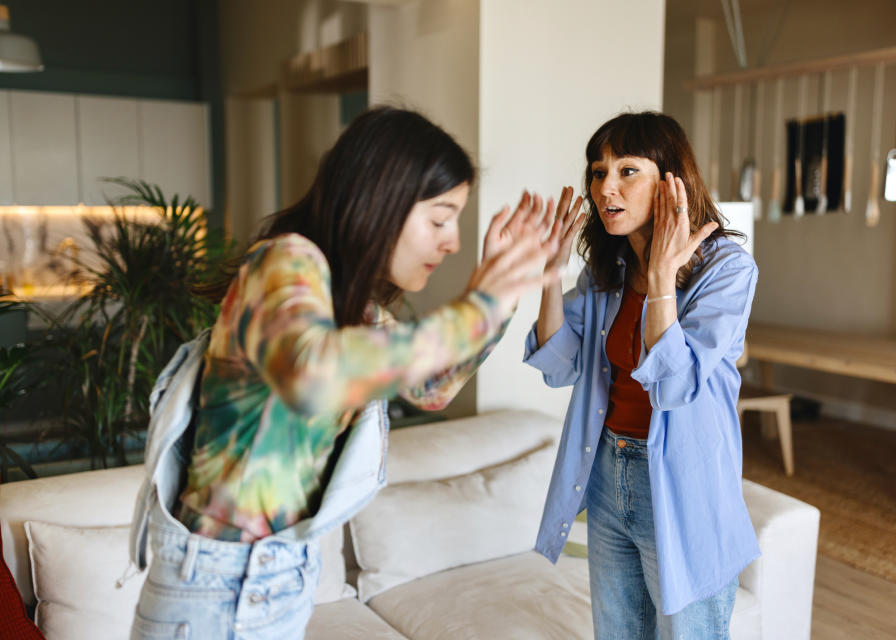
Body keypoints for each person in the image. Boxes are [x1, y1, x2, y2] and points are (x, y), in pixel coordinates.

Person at [128, 106, 559, 640]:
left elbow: (433, 389)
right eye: (440, 218)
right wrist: (477, 305)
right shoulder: (281, 262)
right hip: (217, 589)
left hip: (277, 580)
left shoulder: (354, 309)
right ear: (384, 199)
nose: (450, 242)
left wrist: (504, 293)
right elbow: (313, 377)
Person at [525, 111, 760, 639]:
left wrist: (659, 281)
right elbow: (560, 366)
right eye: (597, 171)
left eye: (627, 170)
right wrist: (548, 279)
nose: (606, 187)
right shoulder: (607, 272)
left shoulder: (727, 270)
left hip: (683, 487)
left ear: (670, 180)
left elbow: (675, 385)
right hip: (608, 475)